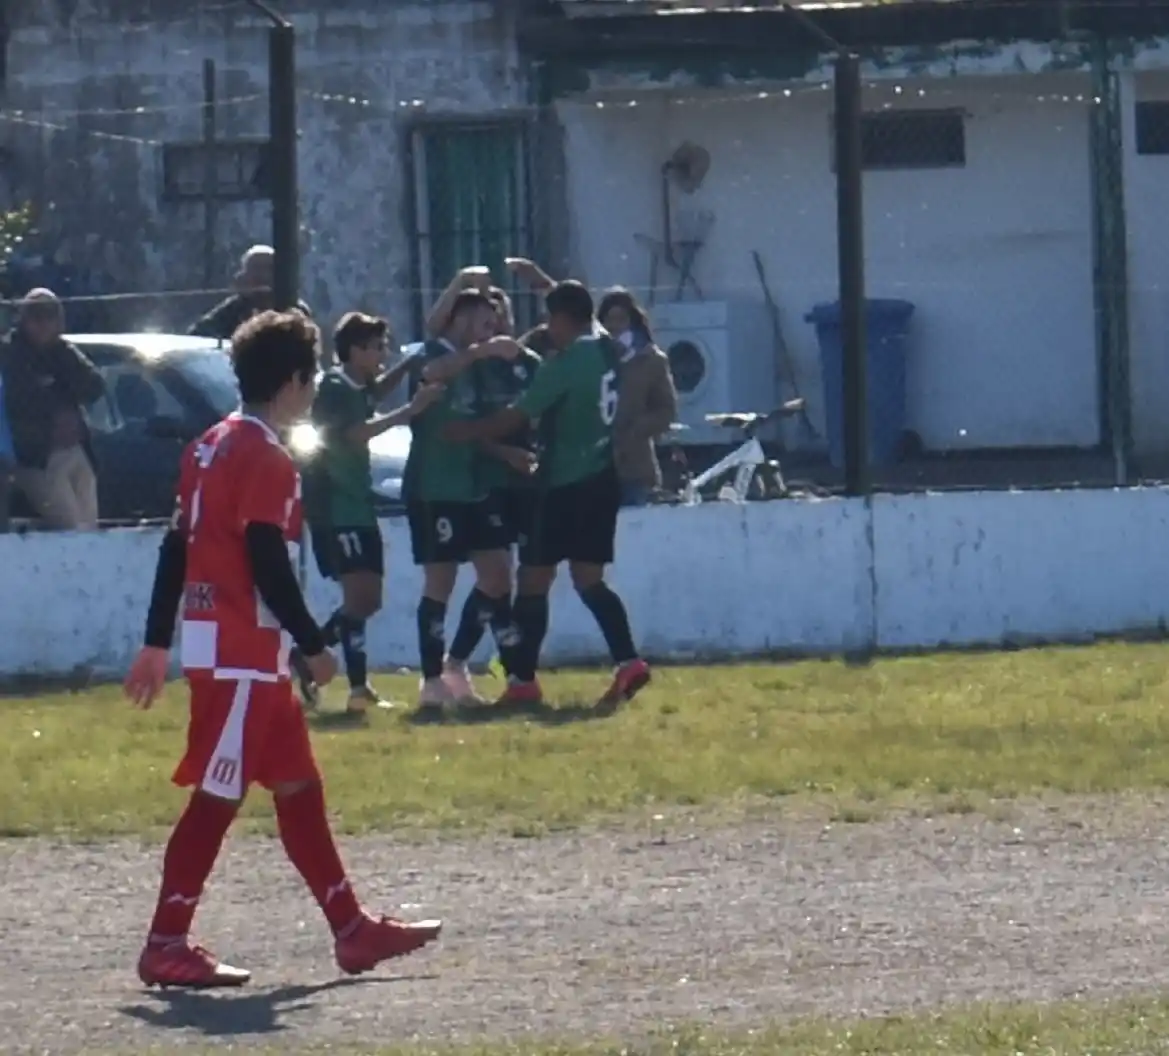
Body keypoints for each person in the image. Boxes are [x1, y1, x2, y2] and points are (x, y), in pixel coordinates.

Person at [122, 310, 441, 989]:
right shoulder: (266, 454)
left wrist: (157, 641)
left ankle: (351, 929)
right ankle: (165, 941)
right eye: (312, 377)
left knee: (298, 788)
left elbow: (178, 545)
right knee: (217, 795)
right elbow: (266, 554)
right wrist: (314, 643)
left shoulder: (207, 445)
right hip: (242, 652)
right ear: (294, 382)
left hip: (236, 650)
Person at [445, 280, 651, 711]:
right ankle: (628, 661)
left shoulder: (565, 363)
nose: (546, 328)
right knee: (589, 580)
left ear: (560, 319)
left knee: (534, 580)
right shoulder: (606, 349)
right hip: (602, 477)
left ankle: (521, 681)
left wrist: (467, 432)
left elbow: (516, 416)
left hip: (562, 485)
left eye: (548, 318)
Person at [300, 312, 443, 714]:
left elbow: (374, 393)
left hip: (358, 504)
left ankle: (339, 675)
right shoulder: (332, 388)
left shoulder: (357, 384)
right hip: (337, 506)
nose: (383, 353)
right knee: (358, 598)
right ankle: (333, 670)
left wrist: (407, 367)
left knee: (368, 600)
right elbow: (352, 433)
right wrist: (410, 410)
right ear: (356, 350)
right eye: (378, 347)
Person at [403, 289, 521, 712]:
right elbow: (431, 374)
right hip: (434, 488)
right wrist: (482, 351)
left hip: (470, 487)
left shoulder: (475, 365)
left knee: (497, 576)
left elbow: (471, 428)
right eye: (486, 324)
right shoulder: (437, 353)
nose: (491, 334)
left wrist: (505, 451)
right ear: (463, 319)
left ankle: (457, 664)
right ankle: (431, 681)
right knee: (441, 582)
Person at [427, 283, 542, 700]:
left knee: (505, 580)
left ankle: (461, 663)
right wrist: (502, 451)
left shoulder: (524, 362)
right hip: (485, 480)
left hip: (523, 479)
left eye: (501, 317)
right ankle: (500, 670)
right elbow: (465, 428)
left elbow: (543, 404)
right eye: (488, 319)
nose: (497, 326)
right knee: (494, 576)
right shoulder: (470, 364)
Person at [1, 287, 104, 530]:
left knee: (90, 527)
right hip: (37, 458)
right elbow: (20, 398)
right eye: (35, 316)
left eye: (50, 316)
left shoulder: (64, 352)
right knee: (70, 527)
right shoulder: (10, 353)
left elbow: (94, 387)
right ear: (23, 319)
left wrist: (61, 375)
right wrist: (53, 397)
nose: (43, 323)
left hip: (75, 449)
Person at [597, 287, 678, 507]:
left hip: (635, 468)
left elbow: (666, 410)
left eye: (620, 319)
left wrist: (636, 430)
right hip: (593, 468)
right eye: (608, 320)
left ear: (632, 321)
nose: (614, 326)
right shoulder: (590, 356)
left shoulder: (650, 360)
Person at [188, 245, 312, 341]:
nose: (262, 275)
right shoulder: (233, 309)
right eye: (256, 268)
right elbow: (198, 335)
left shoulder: (293, 307)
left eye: (268, 268)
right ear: (243, 276)